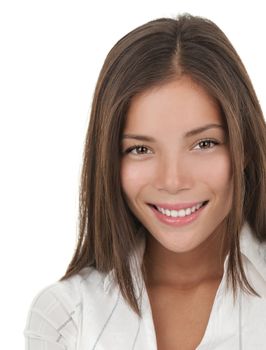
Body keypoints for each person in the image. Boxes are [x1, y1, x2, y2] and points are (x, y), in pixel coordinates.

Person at [24, 13, 266, 350]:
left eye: (204, 144)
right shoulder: (67, 315)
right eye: (140, 149)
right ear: (110, 160)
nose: (172, 180)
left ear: (245, 150)